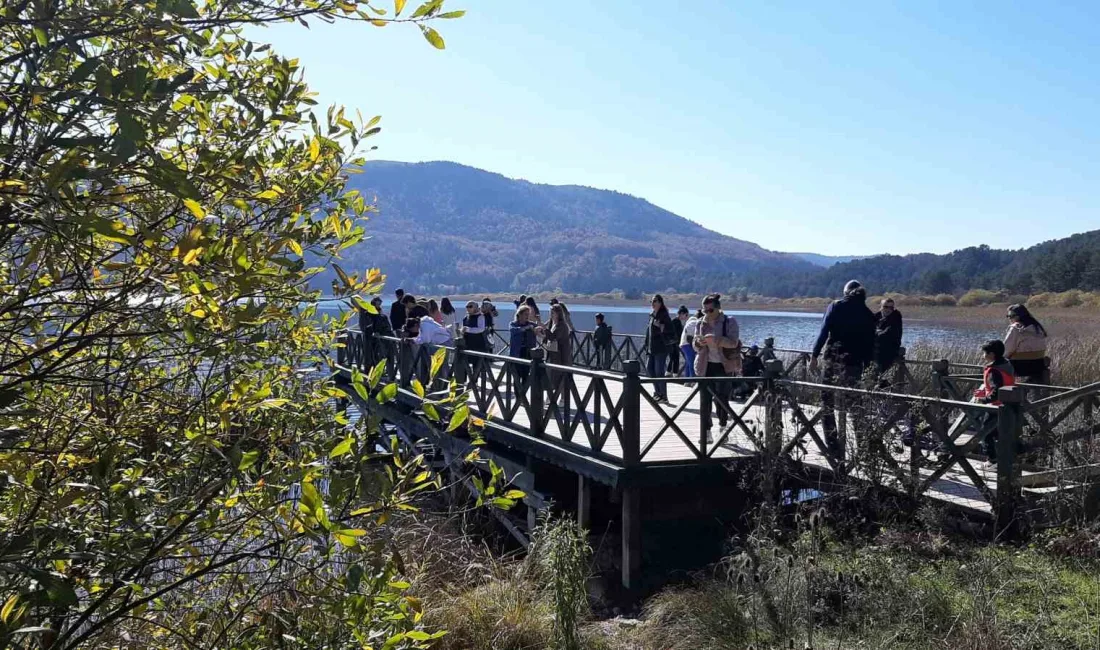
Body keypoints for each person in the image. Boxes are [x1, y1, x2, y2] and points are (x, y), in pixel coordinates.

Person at [809, 280, 876, 461]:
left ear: (845, 292)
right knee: (856, 404)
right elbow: (871, 346)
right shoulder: (868, 314)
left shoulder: (836, 307)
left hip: (833, 360)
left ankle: (833, 447)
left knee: (827, 402)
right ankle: (862, 447)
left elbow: (823, 332)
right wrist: (870, 369)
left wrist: (814, 356)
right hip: (855, 364)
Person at [693, 294, 741, 441]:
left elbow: (734, 343)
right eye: (704, 310)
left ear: (718, 309)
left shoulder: (729, 321)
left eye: (710, 310)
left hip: (724, 365)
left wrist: (717, 341)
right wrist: (699, 343)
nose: (707, 313)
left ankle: (723, 426)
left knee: (721, 399)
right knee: (704, 399)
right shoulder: (700, 323)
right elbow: (695, 345)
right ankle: (706, 431)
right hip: (705, 365)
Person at [973, 339, 1017, 461]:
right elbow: (1003, 384)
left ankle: (992, 460)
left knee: (986, 433)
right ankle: (1004, 459)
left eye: (985, 353)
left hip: (995, 407)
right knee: (1000, 433)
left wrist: (984, 399)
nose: (983, 356)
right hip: (1009, 404)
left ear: (991, 354)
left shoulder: (993, 371)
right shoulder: (1006, 364)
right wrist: (984, 392)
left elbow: (997, 389)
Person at [1004, 304, 1049, 384]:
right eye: (1008, 316)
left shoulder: (1016, 328)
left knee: (996, 366)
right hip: (1039, 365)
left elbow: (1007, 349)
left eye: (1010, 316)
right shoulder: (1037, 327)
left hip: (1020, 367)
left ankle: (995, 393)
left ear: (1018, 316)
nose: (1009, 318)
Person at [646, 294, 674, 402]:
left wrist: (661, 327)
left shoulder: (664, 315)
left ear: (660, 302)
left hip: (661, 348)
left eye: (655, 301)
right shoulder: (652, 315)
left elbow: (670, 330)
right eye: (651, 301)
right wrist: (646, 345)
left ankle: (664, 396)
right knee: (650, 369)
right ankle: (657, 392)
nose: (653, 303)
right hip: (651, 348)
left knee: (659, 372)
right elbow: (648, 332)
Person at [873, 298, 904, 385]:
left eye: (891, 308)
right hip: (876, 348)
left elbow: (887, 334)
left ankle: (883, 386)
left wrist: (875, 333)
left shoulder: (896, 317)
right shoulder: (876, 316)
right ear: (881, 307)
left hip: (889, 349)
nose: (888, 310)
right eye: (886, 307)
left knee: (877, 372)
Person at [509, 305, 538, 383]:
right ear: (520, 314)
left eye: (528, 314)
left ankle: (523, 394)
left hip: (527, 352)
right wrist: (525, 328)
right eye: (525, 314)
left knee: (526, 375)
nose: (527, 316)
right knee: (516, 376)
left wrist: (538, 325)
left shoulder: (531, 324)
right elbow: (513, 330)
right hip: (517, 352)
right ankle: (517, 394)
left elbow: (540, 330)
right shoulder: (513, 324)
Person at [679, 309, 701, 380]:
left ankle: (687, 380)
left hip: (684, 344)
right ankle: (693, 380)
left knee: (688, 363)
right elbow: (692, 335)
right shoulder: (695, 322)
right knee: (692, 362)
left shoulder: (690, 322)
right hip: (688, 344)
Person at [668, 306, 687, 376]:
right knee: (675, 359)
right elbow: (678, 334)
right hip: (674, 343)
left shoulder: (674, 321)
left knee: (673, 359)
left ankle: (670, 373)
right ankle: (674, 375)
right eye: (686, 315)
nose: (685, 317)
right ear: (682, 313)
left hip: (672, 343)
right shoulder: (676, 322)